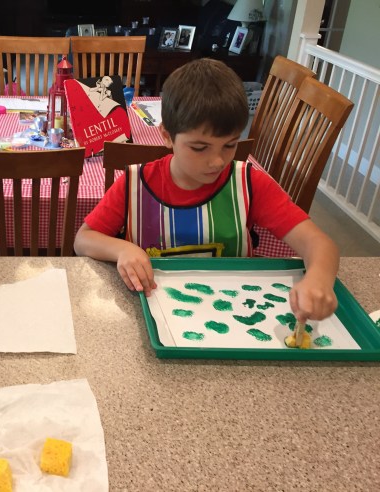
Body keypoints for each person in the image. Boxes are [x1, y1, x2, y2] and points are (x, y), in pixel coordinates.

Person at [74, 58, 339, 322]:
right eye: (200, 148)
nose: (217, 161)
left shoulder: (250, 184)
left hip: (235, 314)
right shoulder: (135, 183)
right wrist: (122, 249)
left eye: (230, 145)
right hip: (154, 314)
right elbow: (83, 240)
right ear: (166, 136)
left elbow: (318, 243)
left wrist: (319, 278)